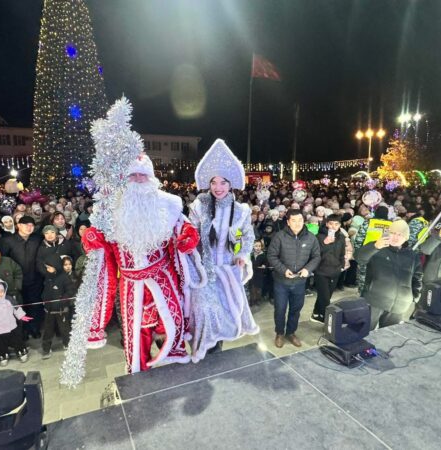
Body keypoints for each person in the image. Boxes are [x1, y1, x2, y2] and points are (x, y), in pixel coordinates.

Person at [77, 151, 200, 374]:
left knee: (172, 322)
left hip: (163, 277)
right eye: (132, 175)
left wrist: (188, 235)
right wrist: (92, 237)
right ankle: (138, 373)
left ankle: (175, 364)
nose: (138, 179)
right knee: (136, 332)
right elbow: (102, 242)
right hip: (131, 283)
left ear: (151, 177)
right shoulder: (111, 208)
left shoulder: (168, 203)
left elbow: (182, 226)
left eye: (142, 175)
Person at [187, 139, 259, 361]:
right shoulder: (198, 206)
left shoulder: (241, 211)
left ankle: (215, 357)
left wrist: (241, 255)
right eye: (214, 182)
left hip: (227, 272)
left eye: (223, 182)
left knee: (225, 316)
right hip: (203, 273)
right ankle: (203, 353)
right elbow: (189, 237)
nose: (218, 187)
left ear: (231, 184)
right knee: (205, 314)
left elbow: (247, 236)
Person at [267, 209, 321, 348]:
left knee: (296, 309)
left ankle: (291, 332)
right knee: (280, 309)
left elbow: (316, 257)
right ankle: (279, 333)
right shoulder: (279, 236)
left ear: (304, 221)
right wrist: (283, 270)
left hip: (300, 282)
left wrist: (307, 270)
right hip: (281, 282)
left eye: (300, 220)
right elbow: (271, 256)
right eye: (294, 221)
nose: (297, 223)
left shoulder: (310, 237)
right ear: (288, 222)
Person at [356, 220, 423, 329]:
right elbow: (359, 258)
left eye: (400, 235)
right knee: (364, 333)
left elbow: (417, 277)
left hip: (400, 305)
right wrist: (375, 246)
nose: (396, 237)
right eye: (393, 233)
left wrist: (414, 297)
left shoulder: (412, 255)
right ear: (387, 233)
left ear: (405, 237)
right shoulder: (377, 247)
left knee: (388, 337)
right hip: (375, 300)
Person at [0, 215, 44, 336]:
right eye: (26, 225)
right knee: (19, 305)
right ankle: (22, 330)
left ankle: (34, 328)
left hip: (35, 278)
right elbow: (4, 260)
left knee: (35, 304)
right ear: (18, 225)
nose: (29, 228)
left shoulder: (37, 239)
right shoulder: (8, 241)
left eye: (31, 225)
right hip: (16, 280)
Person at [311, 215, 348, 323]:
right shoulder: (318, 237)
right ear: (327, 224)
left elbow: (342, 253)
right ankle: (328, 320)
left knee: (326, 295)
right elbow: (315, 254)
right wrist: (324, 243)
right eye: (331, 223)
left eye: (336, 224)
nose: (333, 226)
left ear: (340, 225)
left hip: (335, 270)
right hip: (321, 271)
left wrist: (341, 265)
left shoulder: (341, 237)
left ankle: (316, 314)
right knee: (325, 298)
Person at [39, 254, 76, 359]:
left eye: (50, 267)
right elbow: (45, 291)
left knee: (65, 329)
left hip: (61, 309)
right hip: (49, 310)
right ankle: (46, 348)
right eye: (47, 267)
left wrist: (62, 301)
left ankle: (67, 344)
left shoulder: (64, 277)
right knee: (48, 330)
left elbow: (70, 291)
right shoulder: (48, 277)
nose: (48, 269)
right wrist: (45, 300)